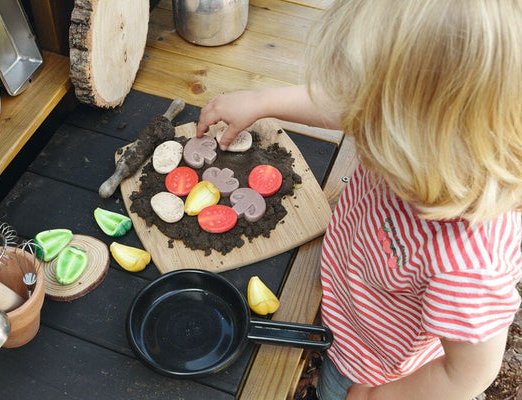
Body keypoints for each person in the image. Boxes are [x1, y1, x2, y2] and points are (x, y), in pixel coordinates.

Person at [195, 1, 522, 399]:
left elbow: (467, 374)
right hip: (352, 295)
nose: (356, 117)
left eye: (370, 120)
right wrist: (264, 101)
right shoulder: (415, 138)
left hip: (370, 365)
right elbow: (358, 102)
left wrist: (375, 397)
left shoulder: (468, 267)